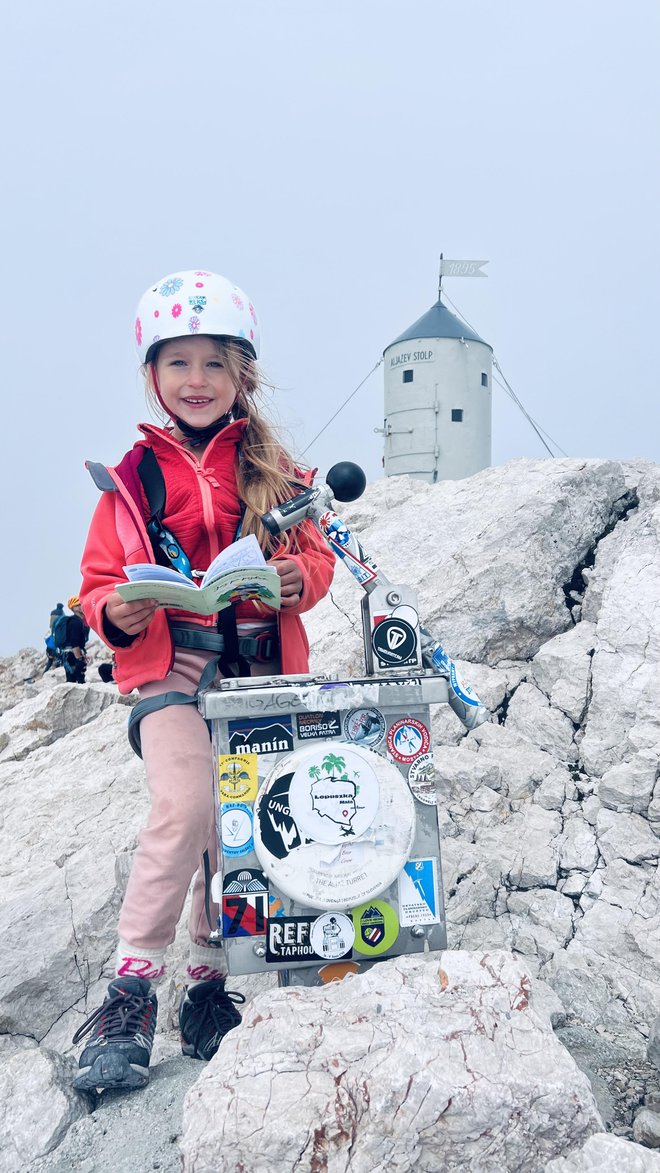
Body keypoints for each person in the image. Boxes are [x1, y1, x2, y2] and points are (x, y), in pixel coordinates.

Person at [72, 270, 335, 1094]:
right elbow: (97, 583)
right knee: (185, 806)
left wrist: (297, 581)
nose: (195, 381)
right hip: (170, 674)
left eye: (213, 365)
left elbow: (317, 557)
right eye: (178, 363)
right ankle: (131, 987)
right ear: (153, 374)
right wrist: (116, 611)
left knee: (236, 829)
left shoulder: (277, 470)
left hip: (258, 673)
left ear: (242, 376)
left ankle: (208, 984)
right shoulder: (132, 476)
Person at [53, 596, 89, 684]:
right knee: (77, 681)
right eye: (77, 605)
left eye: (81, 604)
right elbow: (74, 642)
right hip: (71, 655)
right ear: (73, 608)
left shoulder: (78, 621)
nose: (80, 607)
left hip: (69, 654)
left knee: (72, 681)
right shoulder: (75, 621)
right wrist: (79, 659)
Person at [43, 603, 65, 672]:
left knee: (50, 662)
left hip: (49, 648)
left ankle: (45, 672)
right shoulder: (61, 612)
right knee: (60, 657)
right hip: (54, 646)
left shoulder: (52, 612)